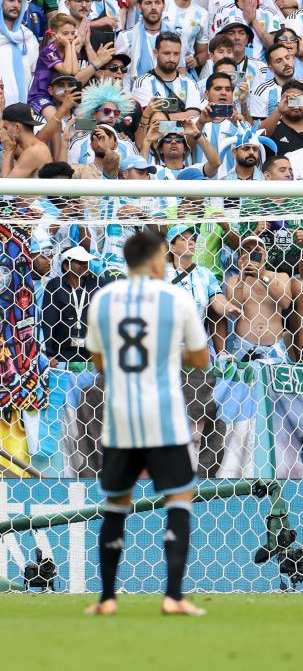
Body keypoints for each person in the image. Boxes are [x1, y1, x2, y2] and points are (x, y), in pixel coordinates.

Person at [83, 229, 209, 617]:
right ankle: (173, 596)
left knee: (116, 503)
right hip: (165, 418)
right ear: (158, 261)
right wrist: (171, 354)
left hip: (120, 418)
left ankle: (107, 599)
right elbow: (201, 359)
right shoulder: (175, 298)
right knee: (179, 499)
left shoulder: (103, 299)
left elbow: (99, 361)